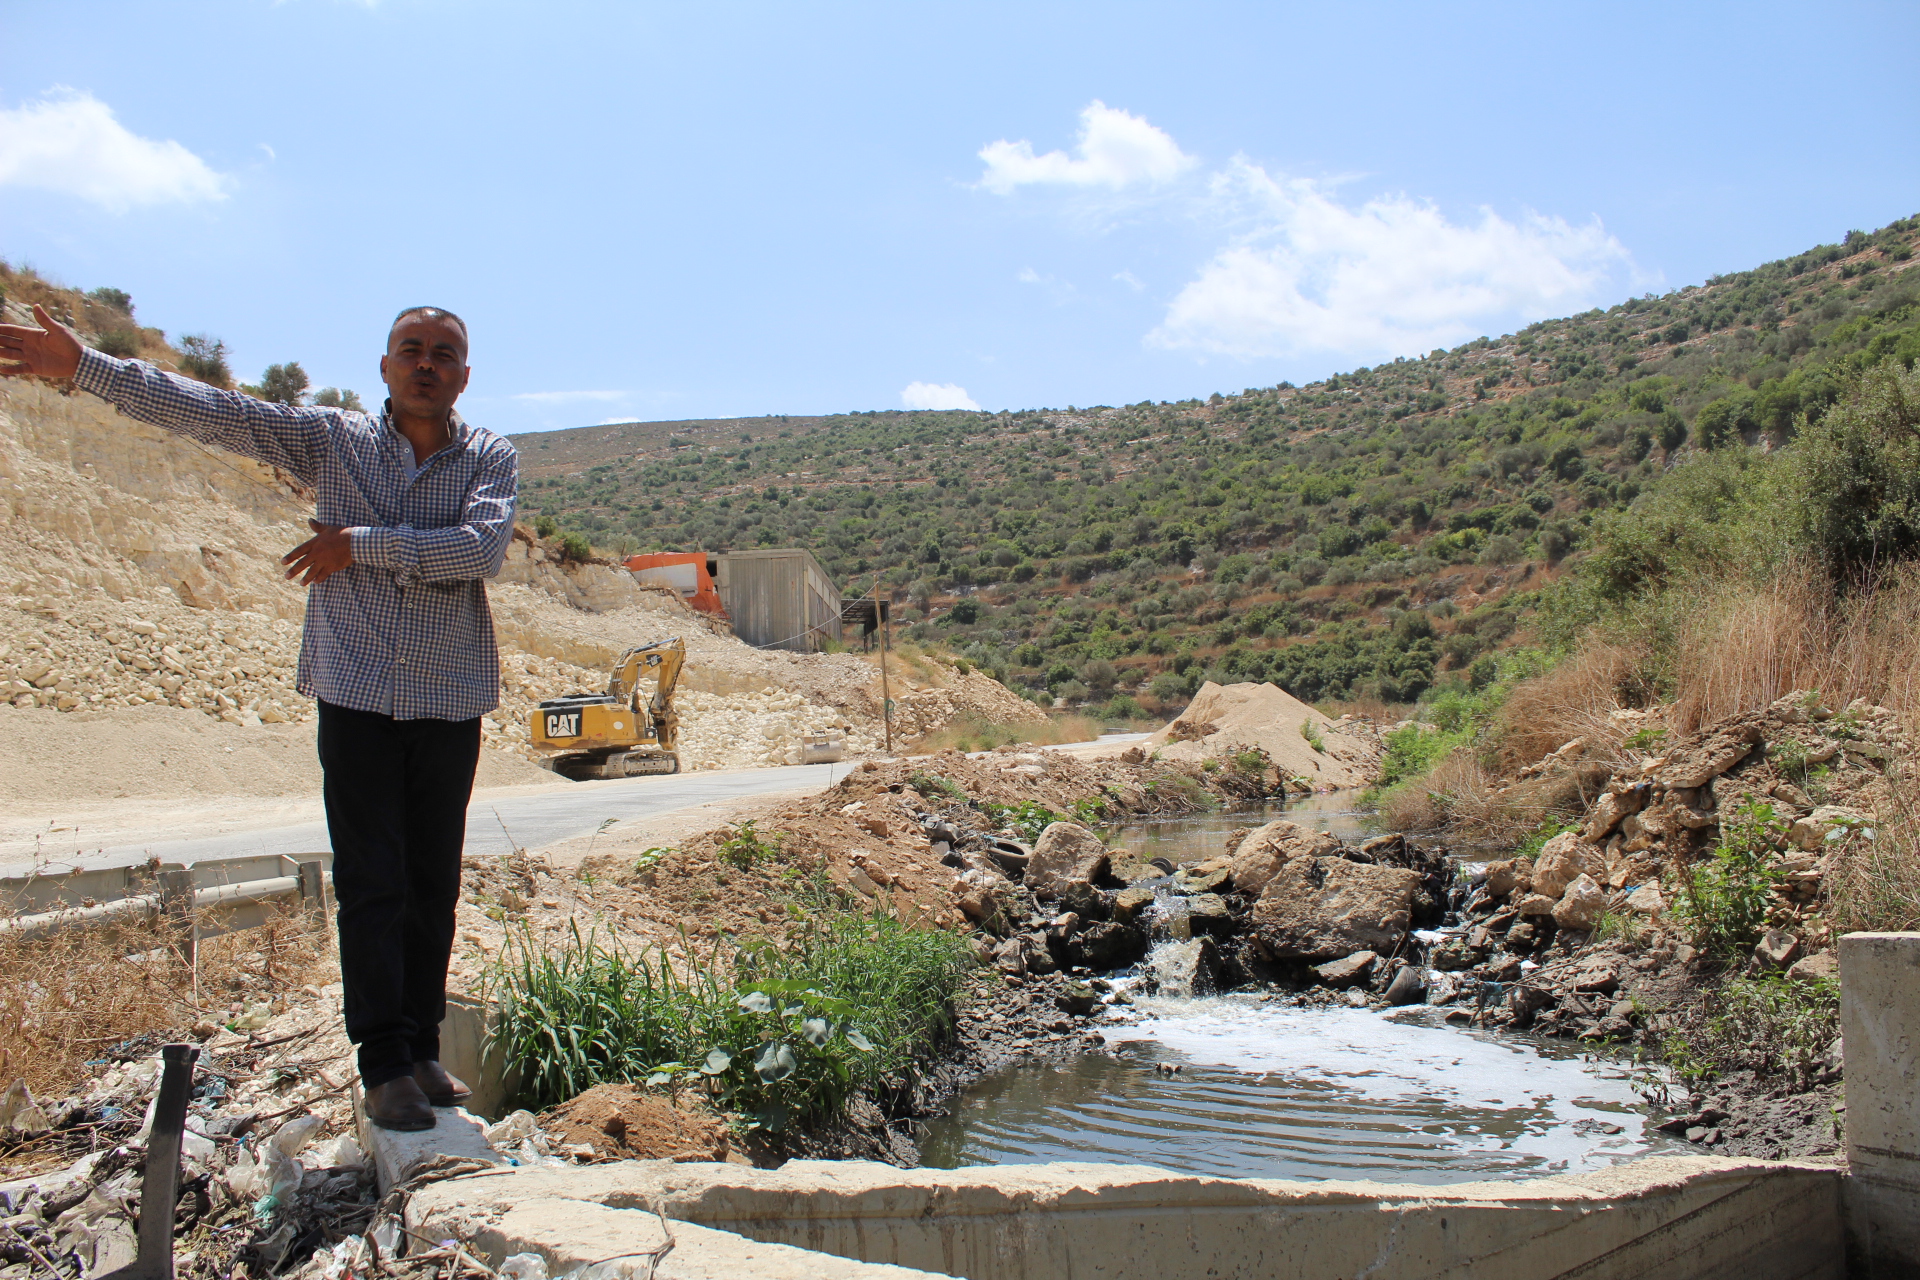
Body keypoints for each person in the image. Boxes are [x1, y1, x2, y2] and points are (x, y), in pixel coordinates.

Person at [0, 303, 519, 1131]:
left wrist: (359, 543)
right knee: (372, 882)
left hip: (450, 698)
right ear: (384, 366)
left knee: (433, 883)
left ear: (464, 374)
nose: (428, 364)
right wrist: (87, 367)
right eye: (412, 350)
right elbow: (214, 412)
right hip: (355, 689)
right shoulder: (332, 440)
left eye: (445, 354)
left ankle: (422, 1048)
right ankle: (383, 1063)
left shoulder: (490, 455)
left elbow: (480, 551)